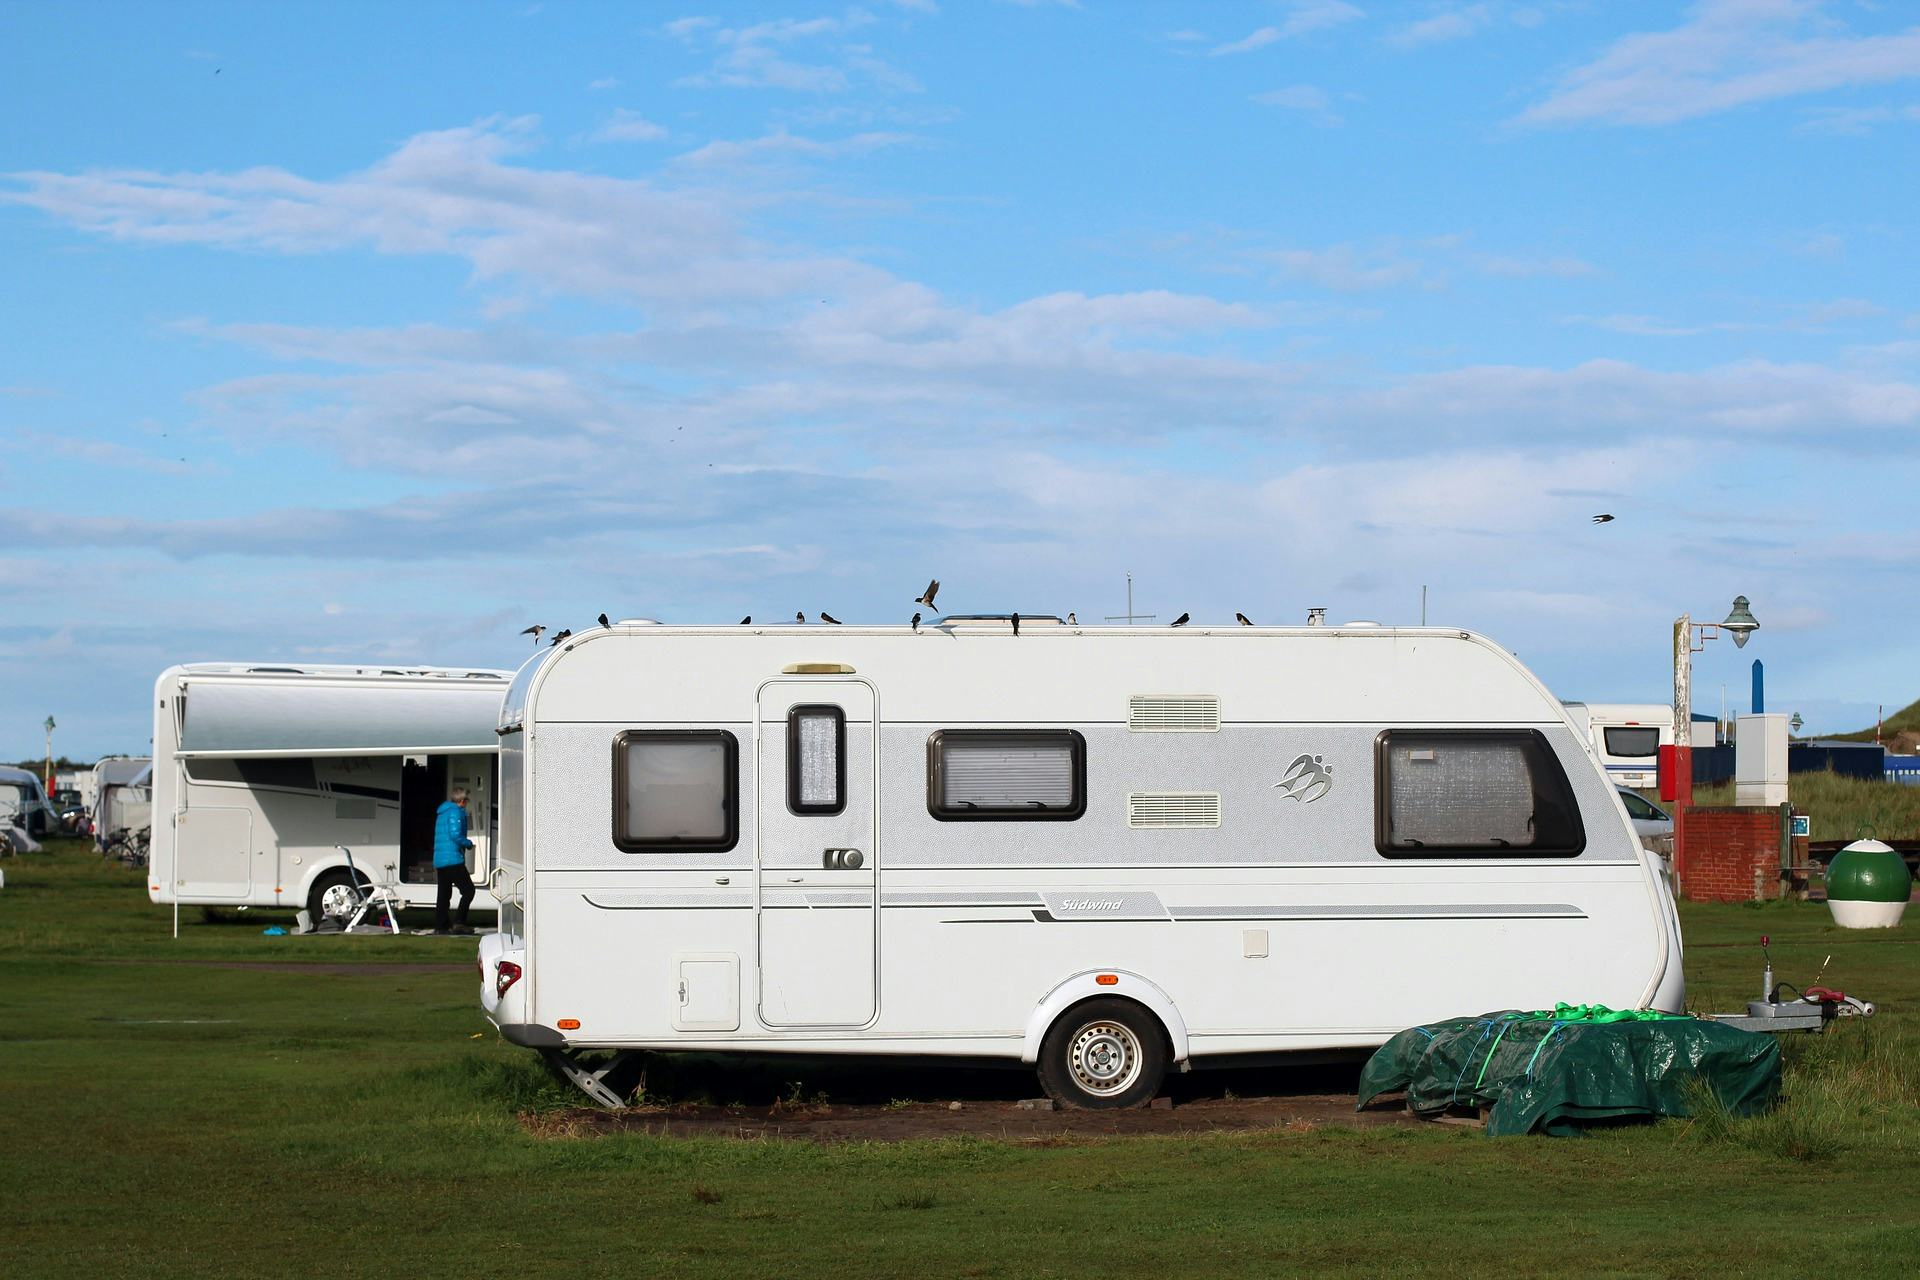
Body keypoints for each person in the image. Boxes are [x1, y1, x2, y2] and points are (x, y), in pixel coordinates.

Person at [433, 785, 477, 935]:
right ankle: (459, 922)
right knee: (469, 890)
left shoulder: (443, 812)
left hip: (440, 859)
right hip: (452, 858)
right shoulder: (455, 812)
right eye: (467, 800)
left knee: (444, 894)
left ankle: (441, 926)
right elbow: (455, 835)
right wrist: (468, 844)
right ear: (462, 800)